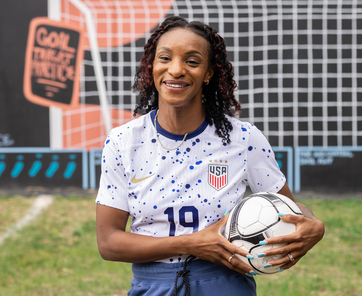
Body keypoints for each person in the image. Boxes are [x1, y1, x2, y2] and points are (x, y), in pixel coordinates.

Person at [95, 15, 325, 296]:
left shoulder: (243, 138)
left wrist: (315, 226)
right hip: (152, 287)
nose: (176, 70)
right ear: (152, 66)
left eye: (192, 61)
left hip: (225, 285)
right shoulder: (123, 142)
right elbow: (108, 242)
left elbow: (288, 209)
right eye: (165, 58)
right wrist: (192, 243)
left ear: (208, 73)